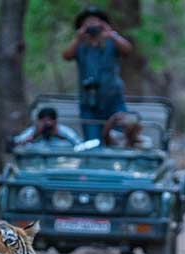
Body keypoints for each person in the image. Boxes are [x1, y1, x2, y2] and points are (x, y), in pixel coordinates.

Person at [62, 6, 133, 141]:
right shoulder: (80, 45)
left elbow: (128, 50)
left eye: (95, 21)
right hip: (89, 103)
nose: (92, 25)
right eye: (87, 23)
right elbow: (66, 56)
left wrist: (111, 34)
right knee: (93, 142)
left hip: (114, 101)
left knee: (121, 138)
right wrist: (78, 38)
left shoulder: (111, 42)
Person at [13, 107, 82, 148]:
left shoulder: (64, 131)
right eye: (42, 121)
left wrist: (59, 135)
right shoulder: (33, 131)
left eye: (49, 121)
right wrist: (35, 135)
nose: (46, 125)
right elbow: (16, 143)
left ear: (55, 121)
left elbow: (79, 145)